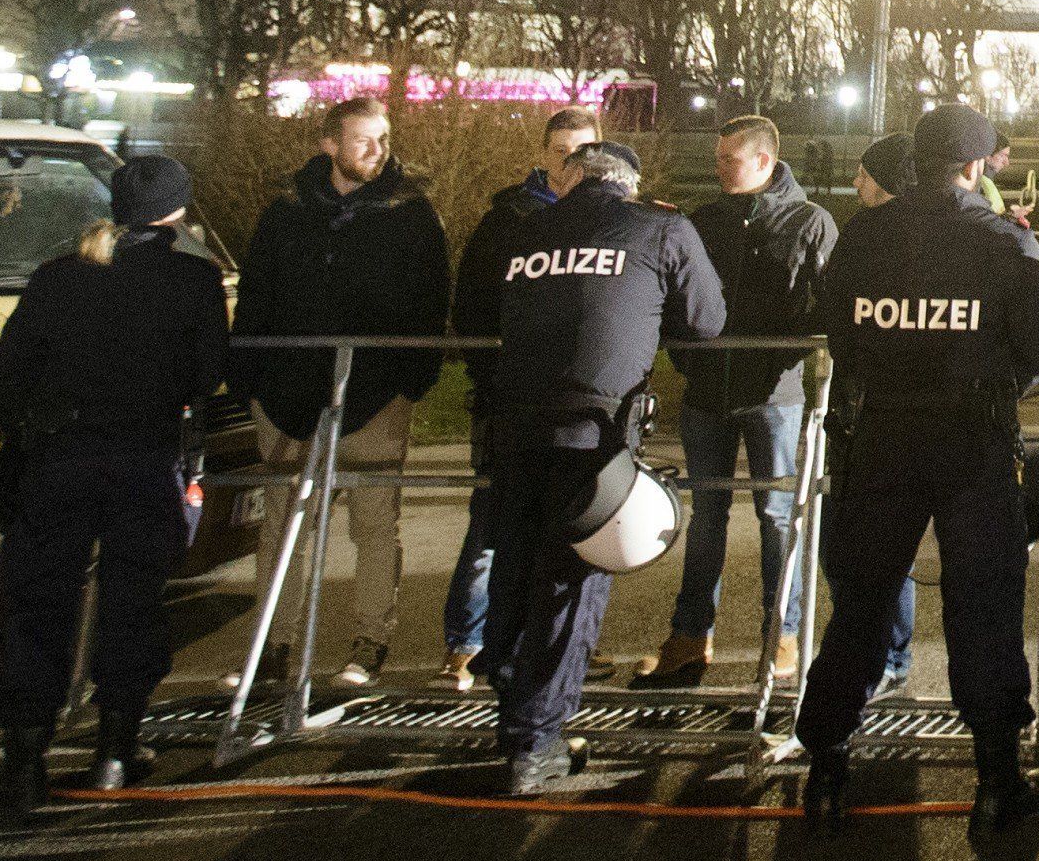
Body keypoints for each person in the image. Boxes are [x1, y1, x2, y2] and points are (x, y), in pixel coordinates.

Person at [796, 104, 1039, 832]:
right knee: (983, 601)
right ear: (974, 166)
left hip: (882, 432)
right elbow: (1037, 350)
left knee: (864, 597)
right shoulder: (1004, 242)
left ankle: (825, 762)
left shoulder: (865, 235)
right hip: (971, 437)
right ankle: (997, 777)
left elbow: (842, 332)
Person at [0, 156, 230, 812]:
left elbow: (7, 376)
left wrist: (31, 434)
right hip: (145, 459)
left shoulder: (60, 277)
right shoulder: (194, 280)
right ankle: (116, 748)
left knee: (38, 605)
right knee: (133, 604)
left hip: (62, 458)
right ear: (177, 212)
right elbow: (205, 376)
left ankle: (25, 757)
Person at [479, 140, 725, 792]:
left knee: (516, 559)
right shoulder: (661, 227)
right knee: (572, 581)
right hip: (594, 432)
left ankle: (509, 697)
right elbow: (706, 320)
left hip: (514, 424)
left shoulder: (528, 230)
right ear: (631, 185)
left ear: (571, 178)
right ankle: (535, 743)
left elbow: (482, 312)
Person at [230, 95, 452, 694]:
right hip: (286, 390)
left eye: (383, 138)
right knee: (283, 522)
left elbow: (433, 302)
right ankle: (274, 643)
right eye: (363, 139)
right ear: (329, 144)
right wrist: (250, 373)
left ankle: (369, 639)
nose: (378, 150)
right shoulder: (287, 212)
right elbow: (258, 293)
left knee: (374, 520)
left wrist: (412, 378)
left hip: (375, 390)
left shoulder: (410, 214)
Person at [637, 115, 836, 688]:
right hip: (707, 391)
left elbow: (825, 302)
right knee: (707, 518)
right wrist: (689, 360)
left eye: (730, 159)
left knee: (777, 516)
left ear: (766, 160)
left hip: (773, 392)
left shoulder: (810, 222)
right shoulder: (703, 218)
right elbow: (676, 296)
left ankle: (783, 637)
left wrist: (787, 355)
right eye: (718, 158)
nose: (718, 168)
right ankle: (690, 637)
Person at [442, 103, 599, 691]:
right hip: (511, 401)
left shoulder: (607, 221)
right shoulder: (508, 219)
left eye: (582, 154)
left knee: (568, 529)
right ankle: (468, 640)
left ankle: (552, 645)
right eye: (560, 153)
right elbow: (475, 308)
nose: (570, 165)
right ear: (541, 156)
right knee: (491, 523)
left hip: (573, 404)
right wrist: (497, 377)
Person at [849, 131, 921, 696]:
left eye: (865, 174)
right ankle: (885, 651)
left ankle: (887, 653)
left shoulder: (869, 239)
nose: (856, 184)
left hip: (883, 420)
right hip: (872, 416)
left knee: (880, 549)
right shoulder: (866, 236)